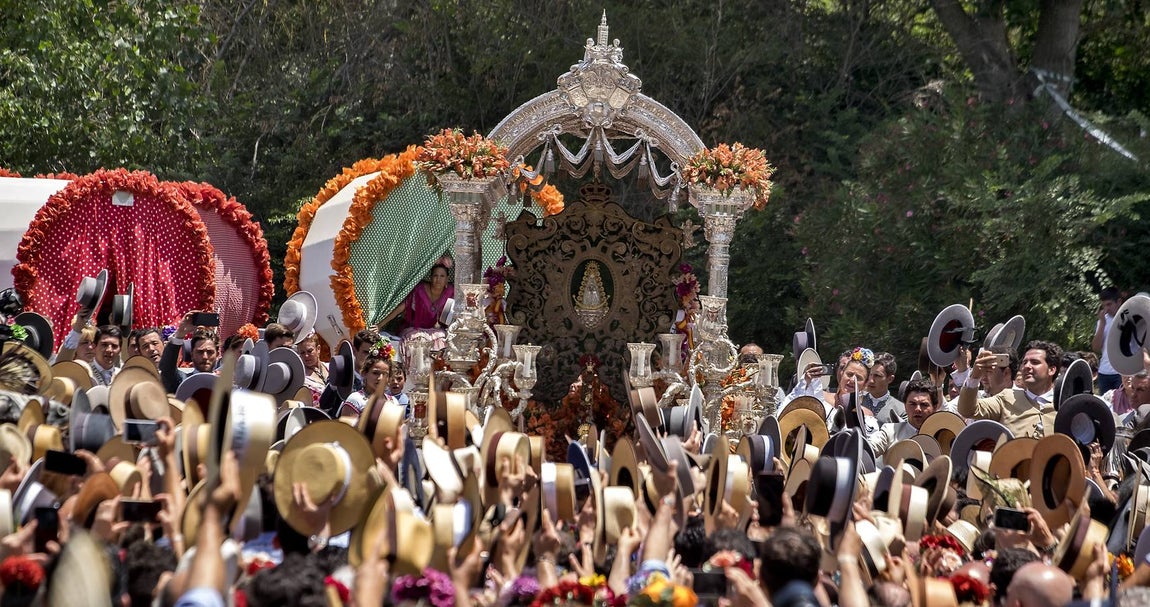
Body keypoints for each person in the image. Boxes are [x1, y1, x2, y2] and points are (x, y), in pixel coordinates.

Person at [958, 340, 1060, 437]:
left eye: (1035, 362)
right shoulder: (1006, 398)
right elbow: (967, 410)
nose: (1027, 366)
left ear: (1051, 370)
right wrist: (974, 377)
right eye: (1024, 362)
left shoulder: (1063, 406)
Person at [869, 377, 940, 457]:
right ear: (905, 406)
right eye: (912, 404)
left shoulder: (943, 436)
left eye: (924, 405)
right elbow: (868, 449)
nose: (918, 409)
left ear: (935, 407)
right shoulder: (890, 431)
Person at [1093, 286, 1123, 394]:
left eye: (1109, 304)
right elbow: (1096, 347)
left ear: (1119, 302)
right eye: (1104, 305)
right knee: (1105, 407)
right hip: (1104, 372)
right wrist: (1102, 324)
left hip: (1122, 372)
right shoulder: (1102, 321)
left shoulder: (1129, 318)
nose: (1106, 309)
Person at [864, 351, 905, 423]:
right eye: (870, 374)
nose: (871, 381)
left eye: (877, 376)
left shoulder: (900, 410)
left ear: (890, 379)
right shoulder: (855, 401)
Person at [297, 333, 327, 406]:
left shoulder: (330, 367)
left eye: (310, 351)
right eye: (302, 353)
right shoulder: (300, 377)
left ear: (318, 349)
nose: (306, 355)